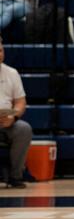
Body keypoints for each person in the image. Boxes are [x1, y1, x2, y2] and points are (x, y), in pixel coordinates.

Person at [0, 38, 30, 188]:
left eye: (0, 50)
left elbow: (20, 102)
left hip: (5, 121)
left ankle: (15, 176)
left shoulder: (12, 73)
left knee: (23, 129)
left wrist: (14, 116)